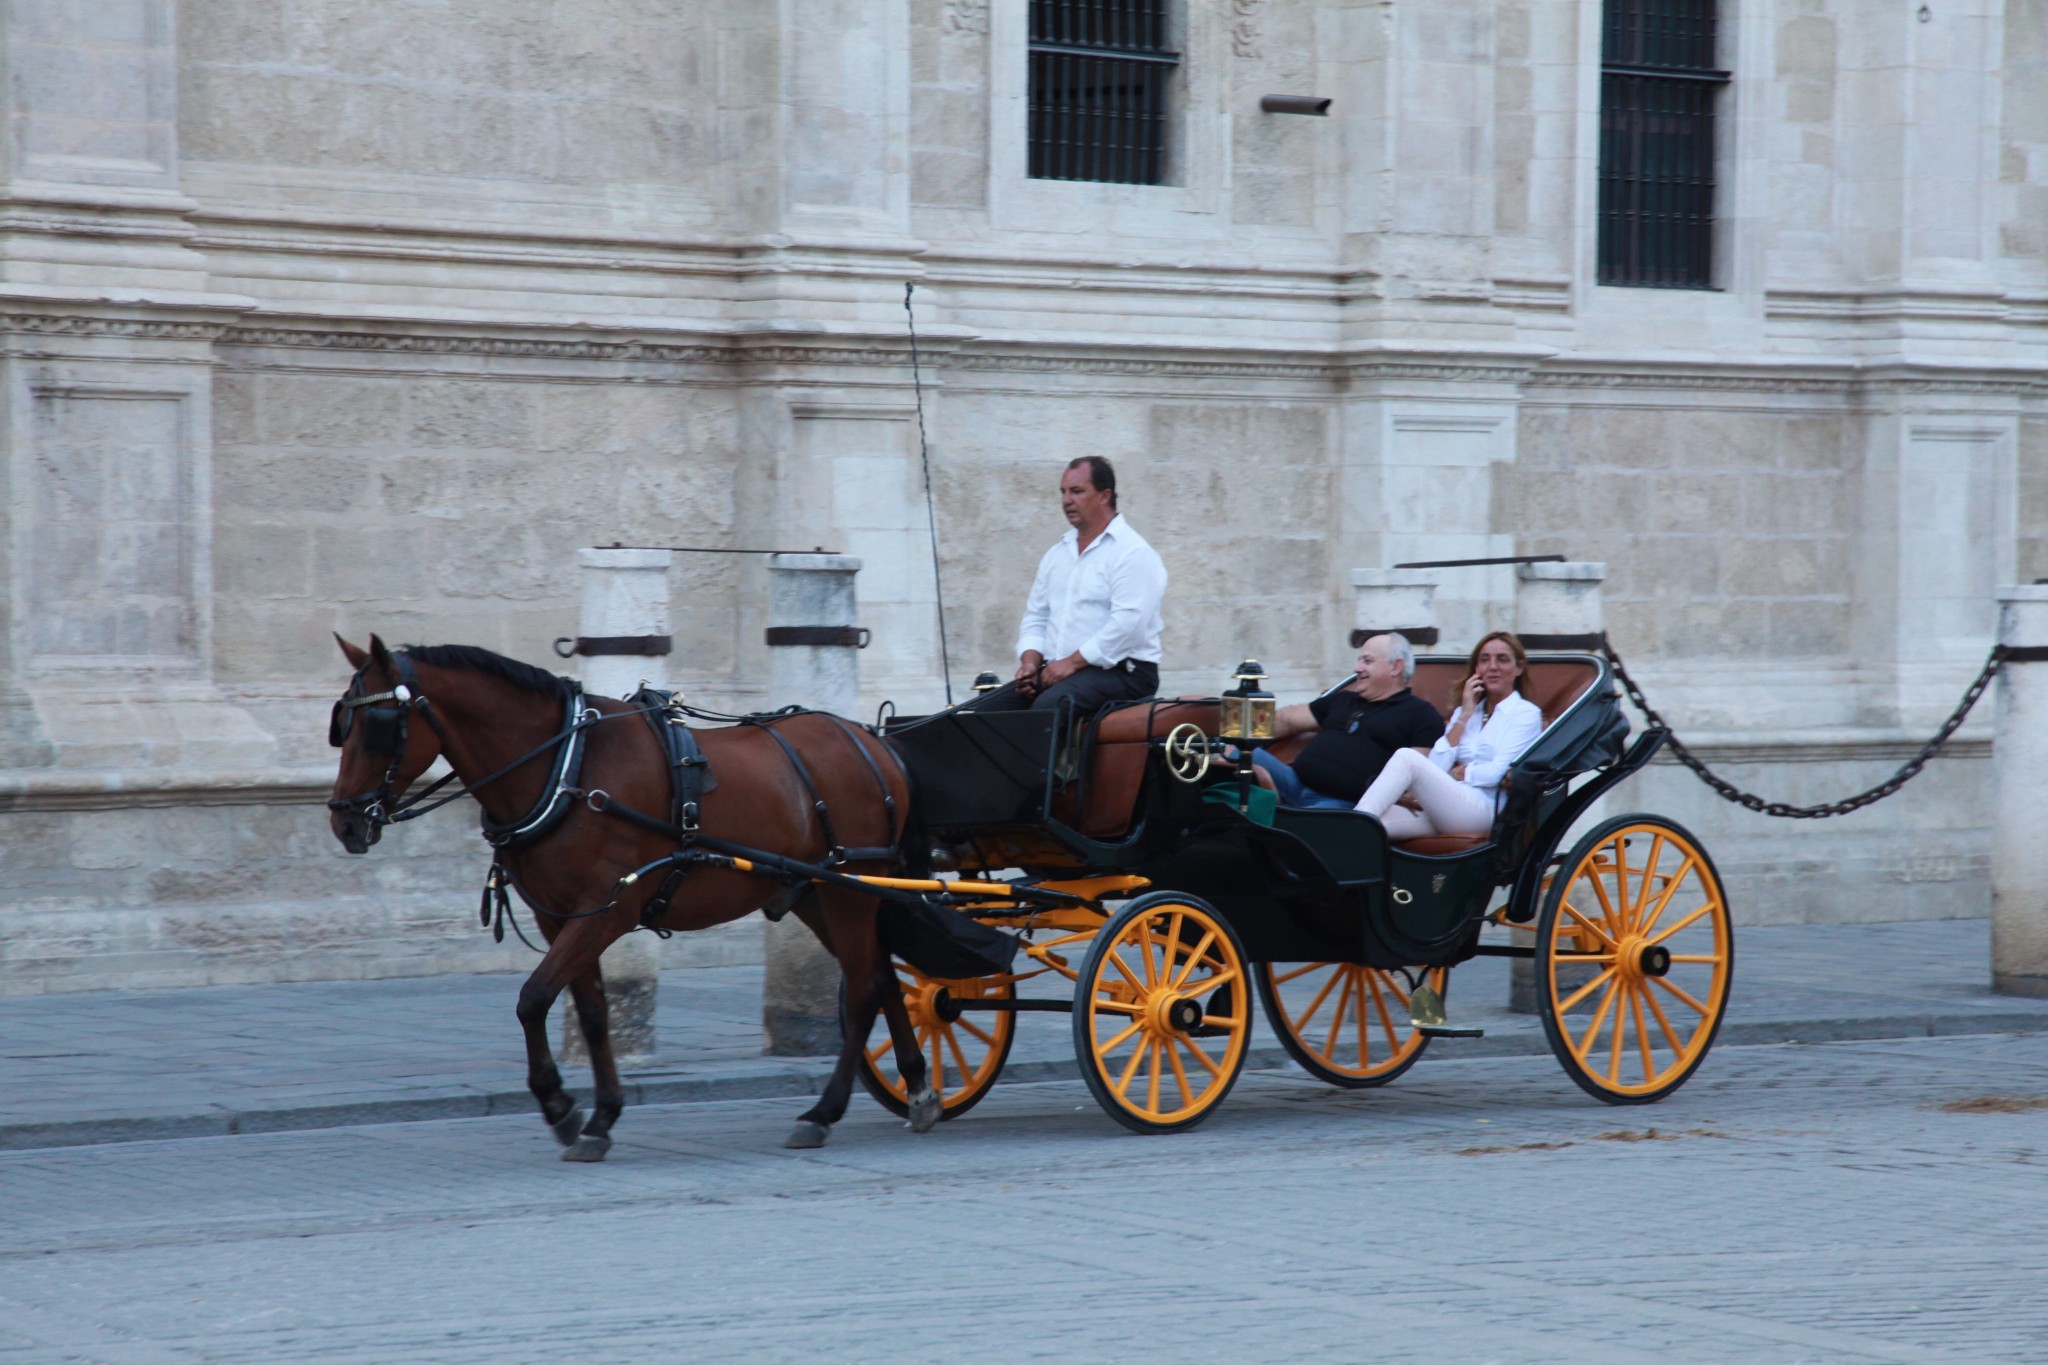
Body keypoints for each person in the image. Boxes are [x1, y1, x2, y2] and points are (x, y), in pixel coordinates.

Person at [979, 456, 1167, 714]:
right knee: (981, 714)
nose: (1066, 500)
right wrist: (1030, 664)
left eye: (1077, 491)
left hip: (1125, 674)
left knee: (1047, 711)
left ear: (1104, 496)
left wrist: (1072, 663)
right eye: (1063, 492)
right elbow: (1037, 616)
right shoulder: (1056, 555)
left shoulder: (1133, 553)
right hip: (1059, 672)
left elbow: (1128, 625)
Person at [1353, 631, 1543, 840]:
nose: (1493, 667)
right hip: (1448, 806)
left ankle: (1357, 821)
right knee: (1376, 825)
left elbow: (1498, 773)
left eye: (1502, 660)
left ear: (1519, 668)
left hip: (1486, 809)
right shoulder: (1467, 711)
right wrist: (1465, 715)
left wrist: (1461, 773)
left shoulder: (1526, 714)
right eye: (1484, 660)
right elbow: (1436, 766)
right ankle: (1346, 847)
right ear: (1476, 669)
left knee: (1406, 758)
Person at [1248, 634, 1444, 809]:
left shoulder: (1421, 715)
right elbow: (1287, 720)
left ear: (1396, 667)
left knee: (1306, 827)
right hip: (1292, 782)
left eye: (1367, 661)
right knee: (1239, 754)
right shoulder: (1343, 699)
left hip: (1341, 804)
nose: (1357, 668)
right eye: (1359, 661)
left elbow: (1417, 777)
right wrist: (1237, 734)